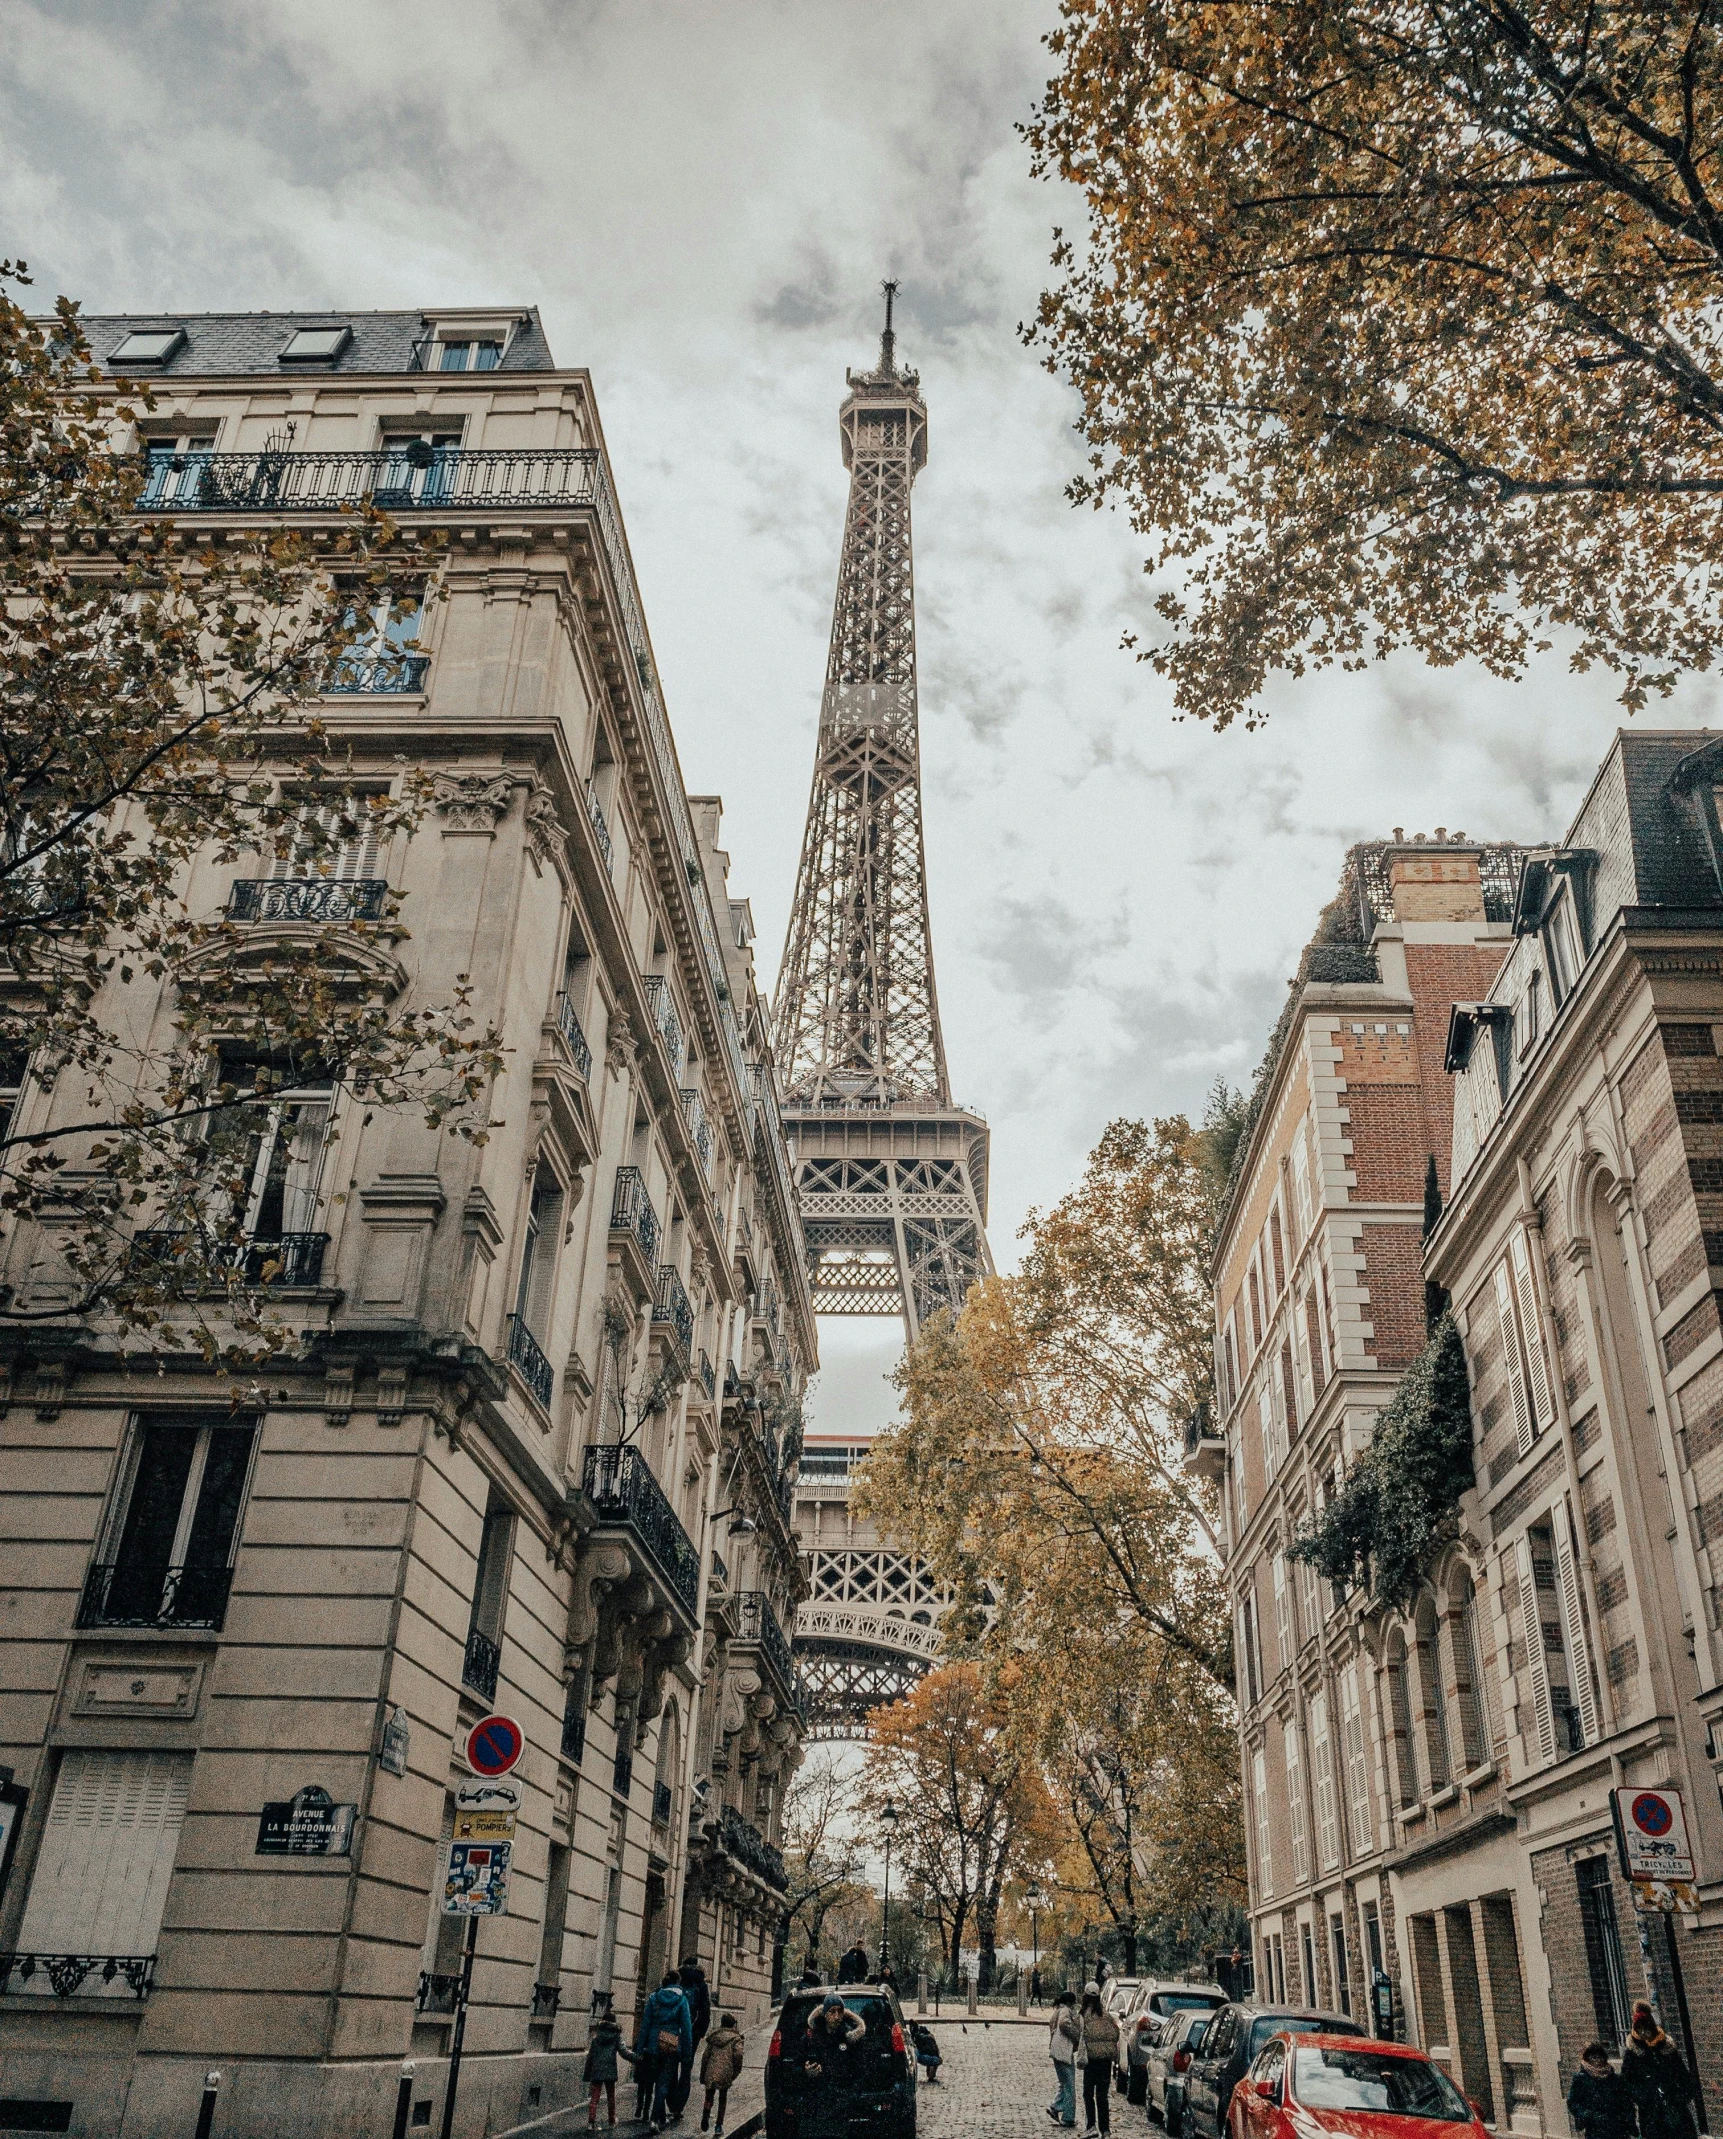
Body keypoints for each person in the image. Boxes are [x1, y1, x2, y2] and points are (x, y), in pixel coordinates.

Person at [794, 1990, 869, 2138]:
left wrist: (850, 2095)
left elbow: (861, 2069)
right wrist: (806, 2071)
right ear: (824, 2014)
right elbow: (796, 2065)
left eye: (839, 2012)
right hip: (815, 2105)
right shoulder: (811, 2037)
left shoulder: (849, 2038)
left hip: (841, 2105)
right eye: (832, 2011)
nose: (836, 2016)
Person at [1623, 2003, 1700, 2139]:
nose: (1643, 2033)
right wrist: (1644, 2096)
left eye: (1646, 2028)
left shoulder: (1666, 2047)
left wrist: (1682, 2095)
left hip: (1674, 2105)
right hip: (1651, 2111)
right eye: (1639, 2029)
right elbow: (1627, 2082)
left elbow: (1682, 2074)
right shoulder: (1633, 2053)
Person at [636, 1970, 693, 2131]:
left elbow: (645, 2025)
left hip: (653, 2043)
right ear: (678, 1983)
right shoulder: (682, 2000)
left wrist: (640, 2048)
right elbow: (687, 2029)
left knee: (655, 2081)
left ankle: (660, 2118)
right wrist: (687, 2054)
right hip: (671, 2044)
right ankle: (655, 2120)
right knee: (663, 2083)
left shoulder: (654, 1998)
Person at [669, 1957, 712, 2117]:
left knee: (671, 2066)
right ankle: (679, 2107)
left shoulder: (678, 1980)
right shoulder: (701, 1984)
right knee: (686, 2070)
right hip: (692, 2033)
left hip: (674, 2030)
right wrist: (699, 2032)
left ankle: (670, 2101)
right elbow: (705, 2011)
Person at [583, 2008, 635, 2131]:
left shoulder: (596, 2039)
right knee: (611, 2096)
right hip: (610, 2070)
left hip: (597, 2070)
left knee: (594, 2097)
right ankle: (611, 2120)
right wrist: (637, 2058)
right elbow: (624, 2052)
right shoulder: (616, 2037)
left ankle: (591, 2122)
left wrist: (587, 2074)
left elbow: (590, 2057)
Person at [1568, 2043, 1634, 2139]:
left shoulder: (1615, 2079)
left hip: (1617, 2126)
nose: (1598, 2061)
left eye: (1600, 2057)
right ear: (1588, 2059)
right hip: (1594, 2127)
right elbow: (1573, 2102)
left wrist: (1629, 2122)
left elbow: (1626, 2102)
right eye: (1594, 2058)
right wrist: (1587, 2115)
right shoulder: (1581, 2079)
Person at [1079, 1983, 1119, 2135]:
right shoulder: (1107, 2016)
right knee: (1102, 2096)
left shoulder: (1083, 2016)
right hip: (1105, 2061)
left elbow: (1079, 2035)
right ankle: (1106, 2129)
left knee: (1088, 2094)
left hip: (1091, 2060)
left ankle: (1091, 2126)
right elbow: (1116, 2034)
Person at [700, 2010, 745, 2136]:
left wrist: (703, 2074)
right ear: (733, 2025)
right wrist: (735, 2072)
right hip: (726, 2072)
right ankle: (719, 2125)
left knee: (709, 2096)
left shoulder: (713, 2038)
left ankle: (706, 2114)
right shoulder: (735, 2039)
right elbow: (738, 2056)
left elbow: (705, 2057)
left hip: (711, 2071)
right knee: (722, 2098)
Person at [1048, 1988, 1080, 2127]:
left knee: (1064, 2083)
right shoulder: (1065, 2011)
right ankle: (1068, 2116)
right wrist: (1076, 2036)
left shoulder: (1057, 2011)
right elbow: (1064, 2024)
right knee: (1069, 2085)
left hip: (1056, 2049)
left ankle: (1055, 2106)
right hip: (1063, 2051)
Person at [912, 2020, 943, 2085]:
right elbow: (935, 2051)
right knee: (936, 2060)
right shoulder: (930, 2037)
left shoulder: (917, 2036)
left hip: (922, 2056)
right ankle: (931, 2075)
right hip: (932, 2057)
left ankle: (930, 2073)